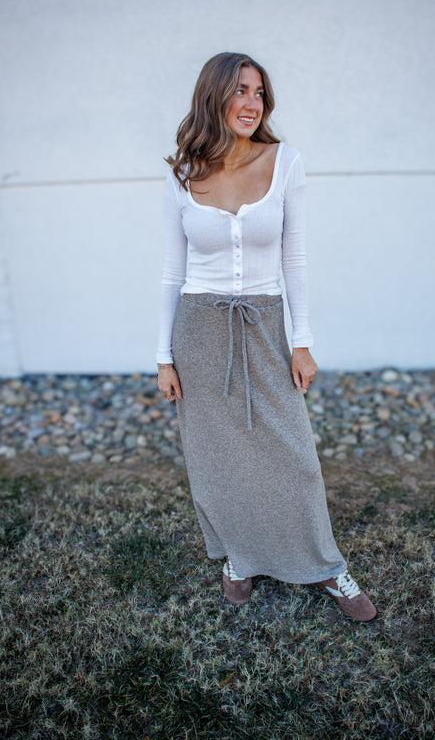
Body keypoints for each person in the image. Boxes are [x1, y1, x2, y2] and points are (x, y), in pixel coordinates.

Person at [156, 52, 376, 621]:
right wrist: (163, 357)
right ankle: (240, 556)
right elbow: (171, 273)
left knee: (294, 451)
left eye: (258, 92)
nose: (252, 103)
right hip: (199, 330)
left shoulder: (285, 161)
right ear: (213, 97)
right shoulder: (183, 172)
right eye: (239, 91)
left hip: (264, 322)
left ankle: (325, 565)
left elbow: (294, 258)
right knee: (217, 456)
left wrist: (302, 341)